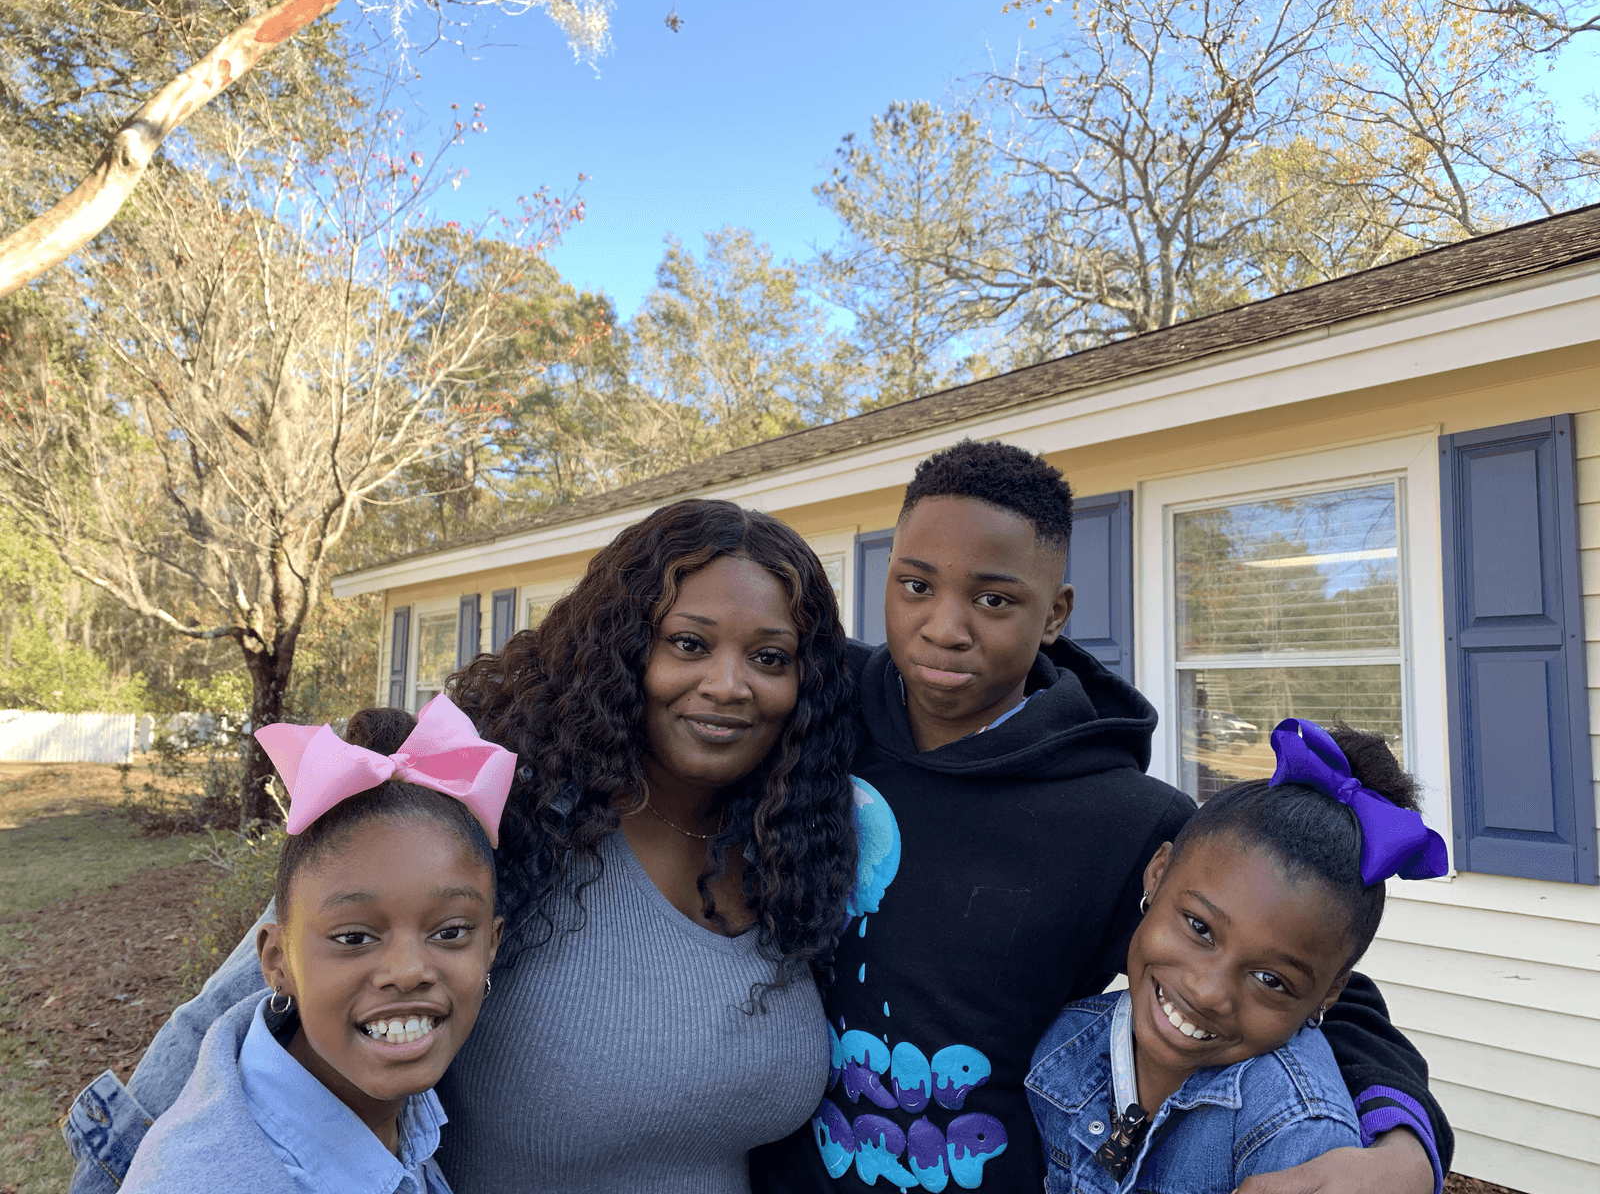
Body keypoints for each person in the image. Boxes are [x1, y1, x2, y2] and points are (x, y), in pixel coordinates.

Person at [64, 500, 861, 1194]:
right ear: (623, 650)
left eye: (769, 657)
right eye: (689, 643)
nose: (729, 683)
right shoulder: (491, 814)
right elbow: (241, 1013)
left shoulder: (799, 855)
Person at [751, 440, 1450, 1194]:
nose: (945, 627)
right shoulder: (812, 712)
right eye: (916, 585)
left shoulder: (1126, 823)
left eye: (993, 600)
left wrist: (1407, 1142)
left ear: (1054, 613)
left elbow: (1303, 980)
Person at [1026, 718, 1448, 1194]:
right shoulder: (1065, 1046)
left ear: (1329, 993)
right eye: (1200, 928)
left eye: (1270, 979)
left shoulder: (1296, 1136)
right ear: (1157, 874)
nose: (1208, 992)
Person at [122, 697, 511, 1193]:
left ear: (491, 945)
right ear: (276, 960)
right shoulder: (206, 1178)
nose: (409, 970)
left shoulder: (395, 1114)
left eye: (451, 931)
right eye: (354, 937)